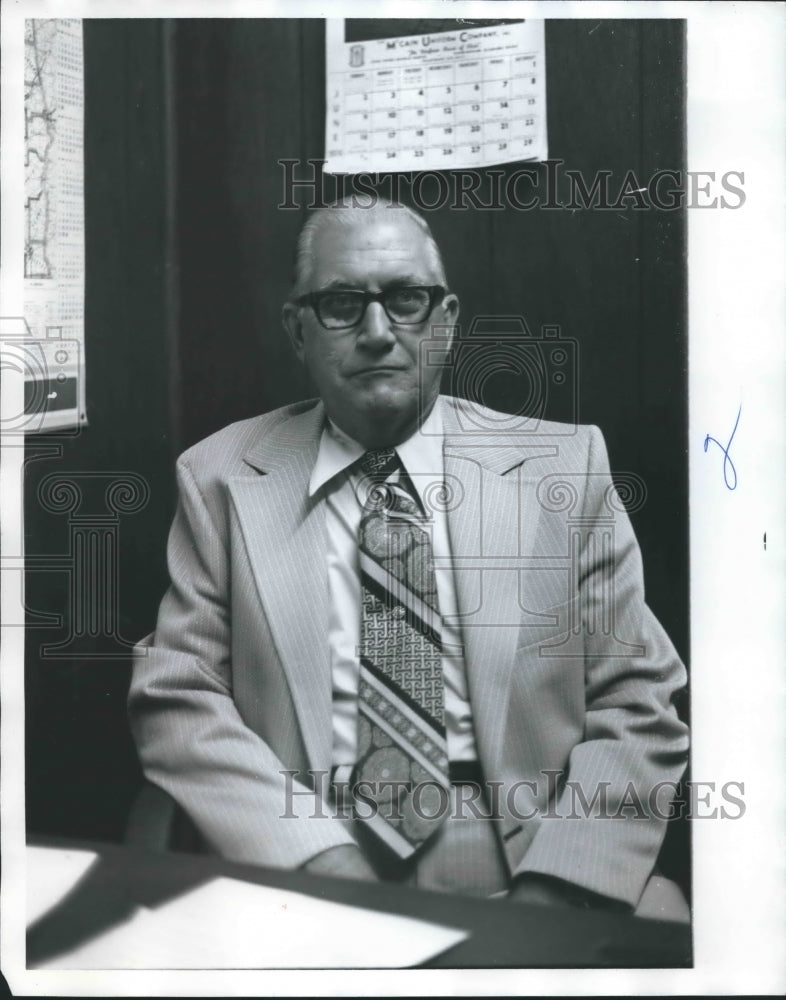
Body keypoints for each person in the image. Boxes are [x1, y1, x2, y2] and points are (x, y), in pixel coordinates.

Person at [128, 199, 689, 919]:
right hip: (302, 851)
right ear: (297, 329)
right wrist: (317, 861)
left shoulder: (563, 468)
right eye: (340, 304)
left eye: (406, 300)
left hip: (524, 844)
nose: (376, 332)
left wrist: (557, 888)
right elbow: (178, 698)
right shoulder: (219, 476)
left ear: (447, 320)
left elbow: (636, 701)